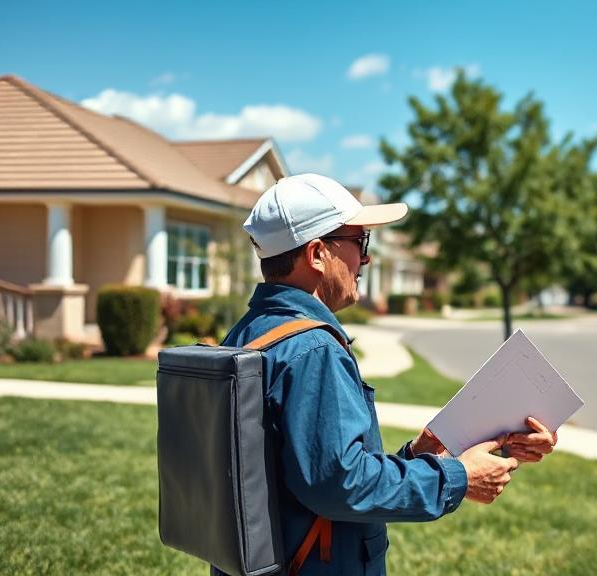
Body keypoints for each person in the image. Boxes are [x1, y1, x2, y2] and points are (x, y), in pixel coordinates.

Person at [215, 174, 557, 575]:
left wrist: (420, 453)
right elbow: (338, 485)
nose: (366, 259)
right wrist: (459, 478)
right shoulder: (314, 349)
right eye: (359, 243)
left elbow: (312, 470)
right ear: (317, 254)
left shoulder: (247, 332)